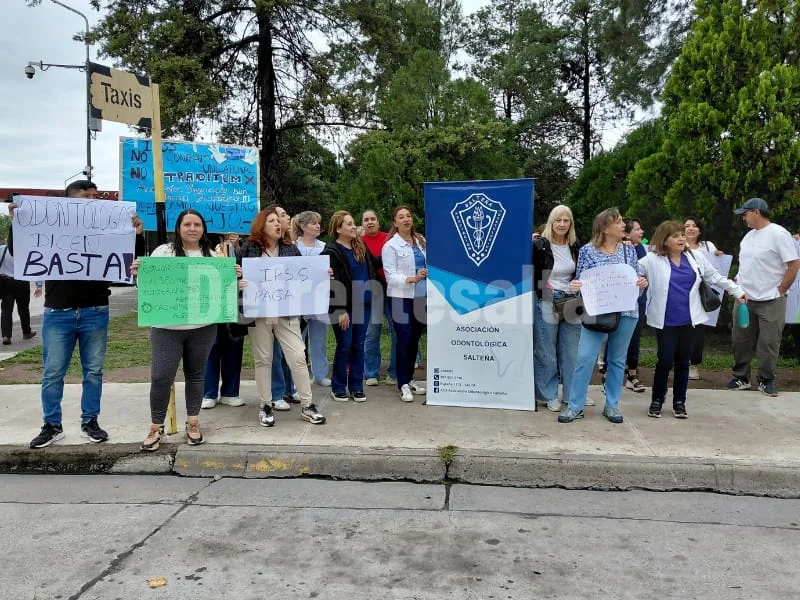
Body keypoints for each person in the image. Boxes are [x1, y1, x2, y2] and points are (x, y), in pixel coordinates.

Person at [9, 180, 144, 448]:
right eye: (85, 196)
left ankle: (90, 421)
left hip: (96, 310)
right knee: (52, 373)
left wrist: (136, 236)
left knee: (93, 371)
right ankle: (51, 425)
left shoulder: (107, 227)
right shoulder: (49, 226)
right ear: (68, 200)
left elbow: (129, 262)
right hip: (58, 312)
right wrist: (18, 225)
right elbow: (20, 252)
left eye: (95, 196)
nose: (92, 200)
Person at [133, 210, 242, 450]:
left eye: (197, 224)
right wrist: (140, 273)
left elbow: (223, 291)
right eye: (187, 224)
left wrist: (232, 277)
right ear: (179, 227)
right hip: (166, 327)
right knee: (161, 376)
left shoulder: (214, 256)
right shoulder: (163, 252)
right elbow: (147, 285)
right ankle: (156, 425)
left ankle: (193, 422)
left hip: (202, 327)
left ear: (203, 229)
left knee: (196, 374)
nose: (192, 228)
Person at [639, 221, 745, 418]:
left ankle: (679, 402)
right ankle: (657, 400)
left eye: (682, 235)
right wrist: (639, 279)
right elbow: (634, 273)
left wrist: (737, 291)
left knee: (683, 362)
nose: (681, 238)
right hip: (666, 320)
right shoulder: (652, 259)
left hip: (690, 320)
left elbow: (715, 276)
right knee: (665, 360)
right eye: (675, 236)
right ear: (664, 240)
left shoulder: (695, 257)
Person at [558, 208, 648, 424]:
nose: (623, 225)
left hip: (627, 312)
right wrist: (575, 285)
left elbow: (636, 281)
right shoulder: (588, 250)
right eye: (618, 222)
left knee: (617, 360)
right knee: (584, 358)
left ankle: (612, 405)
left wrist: (642, 284)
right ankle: (574, 406)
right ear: (605, 228)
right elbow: (580, 281)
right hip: (597, 313)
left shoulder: (629, 251)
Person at [239, 207, 326, 426]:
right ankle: (265, 405)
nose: (278, 224)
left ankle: (307, 404)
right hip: (259, 314)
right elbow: (234, 274)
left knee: (297, 355)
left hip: (287, 312)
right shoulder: (248, 248)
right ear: (261, 225)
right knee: (263, 359)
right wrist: (237, 282)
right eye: (271, 221)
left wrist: (322, 275)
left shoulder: (290, 249)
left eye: (279, 221)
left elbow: (304, 277)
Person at [729, 198, 800, 396]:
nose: (743, 218)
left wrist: (781, 289)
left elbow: (794, 264)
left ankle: (766, 380)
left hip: (771, 299)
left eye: (745, 214)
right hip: (746, 298)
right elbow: (747, 263)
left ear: (756, 212)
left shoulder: (778, 234)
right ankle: (741, 377)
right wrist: (739, 280)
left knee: (769, 342)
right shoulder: (748, 237)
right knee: (740, 339)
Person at [323, 211, 378, 402]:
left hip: (364, 305)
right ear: (338, 229)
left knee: (358, 345)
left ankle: (356, 386)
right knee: (345, 345)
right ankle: (338, 386)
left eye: (354, 223)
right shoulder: (331, 251)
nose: (354, 226)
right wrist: (340, 310)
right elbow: (332, 285)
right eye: (349, 224)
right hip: (343, 309)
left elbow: (376, 264)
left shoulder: (360, 246)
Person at [532, 205, 581, 413]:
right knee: (546, 351)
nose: (562, 224)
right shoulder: (539, 245)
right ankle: (548, 395)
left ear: (571, 224)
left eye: (566, 220)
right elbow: (531, 273)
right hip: (547, 300)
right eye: (557, 220)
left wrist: (578, 283)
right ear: (551, 222)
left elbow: (581, 271)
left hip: (572, 302)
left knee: (571, 352)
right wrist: (544, 287)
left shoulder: (575, 246)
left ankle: (572, 394)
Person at [382, 205, 427, 403]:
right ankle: (402, 384)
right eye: (401, 217)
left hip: (422, 297)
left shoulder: (421, 241)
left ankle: (409, 378)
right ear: (395, 222)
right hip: (400, 298)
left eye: (409, 216)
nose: (406, 219)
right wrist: (412, 278)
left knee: (415, 339)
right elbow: (391, 277)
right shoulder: (390, 246)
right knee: (405, 338)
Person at [201, 233, 246, 410]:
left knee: (233, 347)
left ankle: (230, 392)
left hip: (233, 303)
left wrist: (237, 247)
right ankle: (209, 392)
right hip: (209, 303)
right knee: (210, 348)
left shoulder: (239, 246)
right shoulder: (204, 245)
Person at [293, 211, 331, 387]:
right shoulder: (292, 246)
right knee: (296, 340)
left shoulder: (324, 246)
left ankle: (319, 374)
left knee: (319, 339)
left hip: (319, 299)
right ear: (303, 226)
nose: (318, 226)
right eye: (313, 223)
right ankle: (295, 376)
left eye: (319, 223)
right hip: (297, 300)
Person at [683, 216, 724, 381]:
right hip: (681, 293)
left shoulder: (708, 246)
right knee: (680, 329)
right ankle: (680, 362)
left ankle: (694, 365)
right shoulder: (676, 244)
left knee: (698, 331)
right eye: (686, 226)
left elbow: (716, 269)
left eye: (694, 226)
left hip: (701, 294)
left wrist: (719, 255)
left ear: (699, 230)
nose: (690, 228)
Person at [361, 209, 397, 386]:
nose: (370, 222)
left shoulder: (390, 239)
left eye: (373, 219)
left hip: (393, 290)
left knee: (396, 331)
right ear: (362, 224)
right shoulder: (358, 242)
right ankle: (371, 373)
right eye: (366, 220)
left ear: (378, 221)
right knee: (372, 332)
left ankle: (395, 373)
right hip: (373, 292)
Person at [622, 218, 648, 393]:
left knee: (635, 338)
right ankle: (608, 374)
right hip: (619, 301)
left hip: (638, 301)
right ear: (626, 233)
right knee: (614, 337)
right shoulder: (618, 248)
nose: (641, 232)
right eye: (637, 229)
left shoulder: (643, 249)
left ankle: (632, 374)